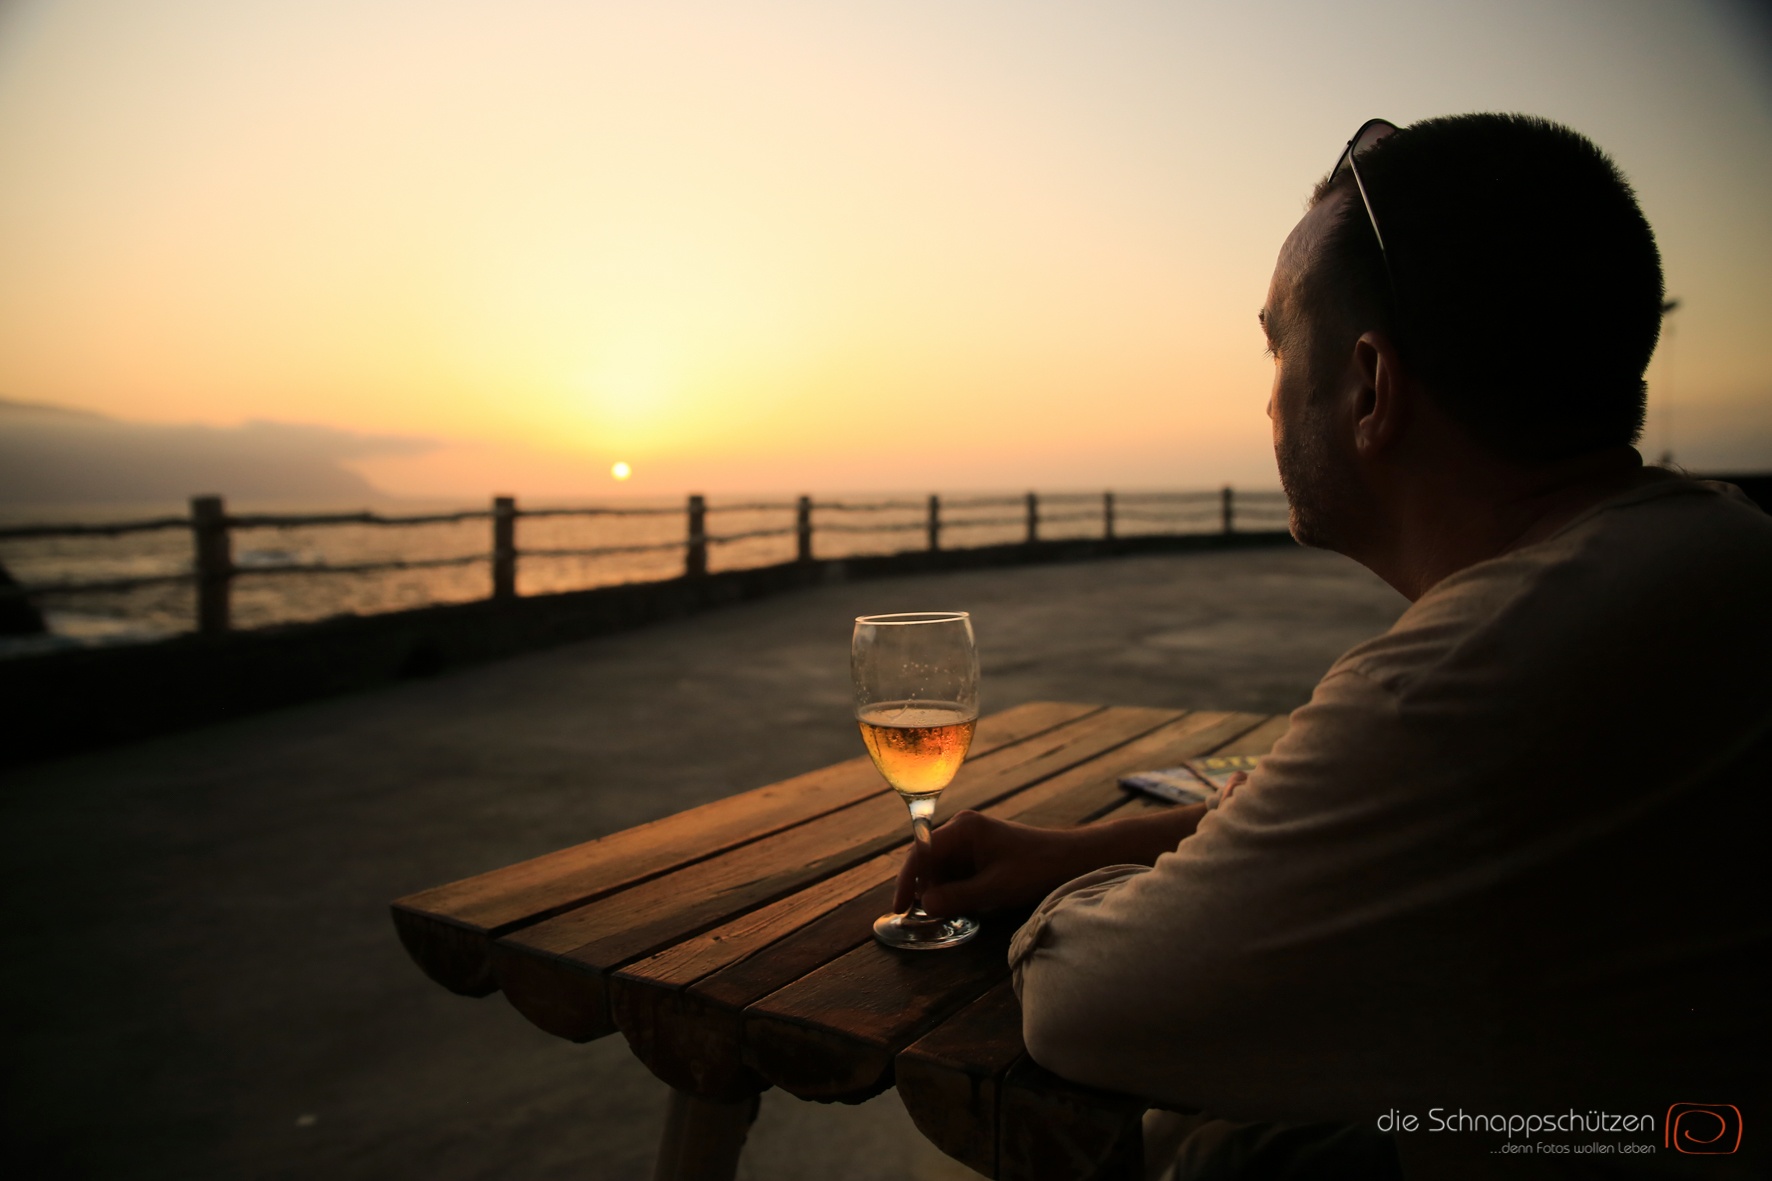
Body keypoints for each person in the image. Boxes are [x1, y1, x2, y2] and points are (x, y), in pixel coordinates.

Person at [895, 114, 1771, 1178]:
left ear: (1368, 387)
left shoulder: (1454, 684)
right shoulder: (1717, 550)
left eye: (1275, 341)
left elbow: (1089, 1000)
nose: (1265, 391)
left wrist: (1064, 900)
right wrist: (1086, 847)